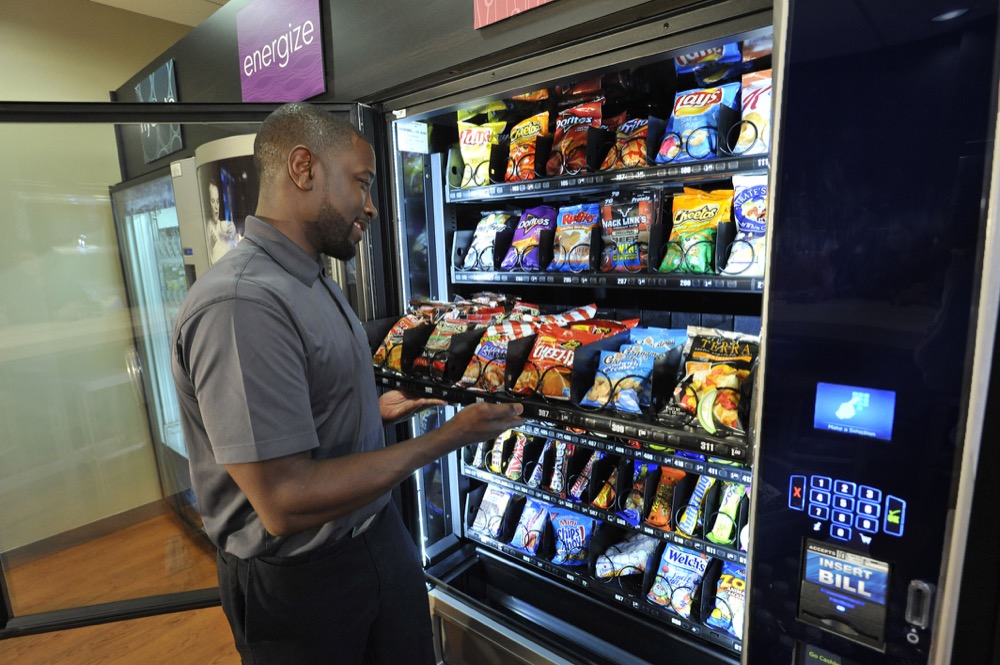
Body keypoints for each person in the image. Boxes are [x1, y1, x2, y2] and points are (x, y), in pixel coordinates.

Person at [171, 102, 524, 664]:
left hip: (376, 540)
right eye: (360, 183)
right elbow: (284, 499)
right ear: (304, 168)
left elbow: (304, 400)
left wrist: (367, 410)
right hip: (302, 583)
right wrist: (447, 438)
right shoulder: (240, 304)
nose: (373, 206)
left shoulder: (310, 277)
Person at [206, 178, 240, 264]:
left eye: (217, 201)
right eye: (213, 201)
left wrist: (234, 234)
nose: (216, 206)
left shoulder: (224, 226)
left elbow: (238, 243)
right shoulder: (206, 230)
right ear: (207, 203)